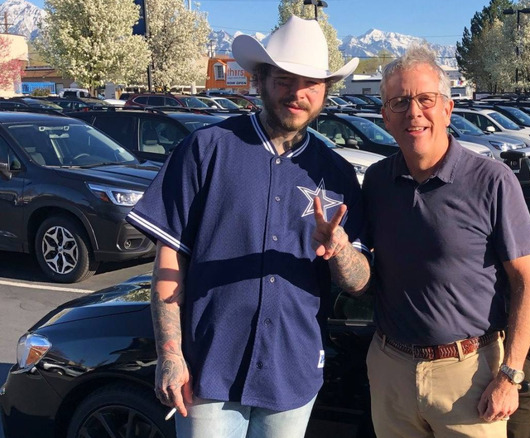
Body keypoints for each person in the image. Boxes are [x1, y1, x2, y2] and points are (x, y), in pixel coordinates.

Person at [126, 15, 370, 438]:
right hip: (208, 368)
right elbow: (169, 259)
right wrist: (170, 353)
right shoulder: (206, 149)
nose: (298, 93)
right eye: (285, 79)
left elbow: (360, 280)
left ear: (325, 93)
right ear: (259, 80)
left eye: (311, 83)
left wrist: (340, 250)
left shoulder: (338, 173)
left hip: (292, 371)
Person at [361, 45, 530, 438]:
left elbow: (528, 282)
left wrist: (510, 374)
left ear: (448, 109)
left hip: (470, 375)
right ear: (385, 118)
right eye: (399, 102)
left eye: (426, 99)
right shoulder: (376, 182)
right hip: (390, 368)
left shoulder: (492, 182)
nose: (414, 112)